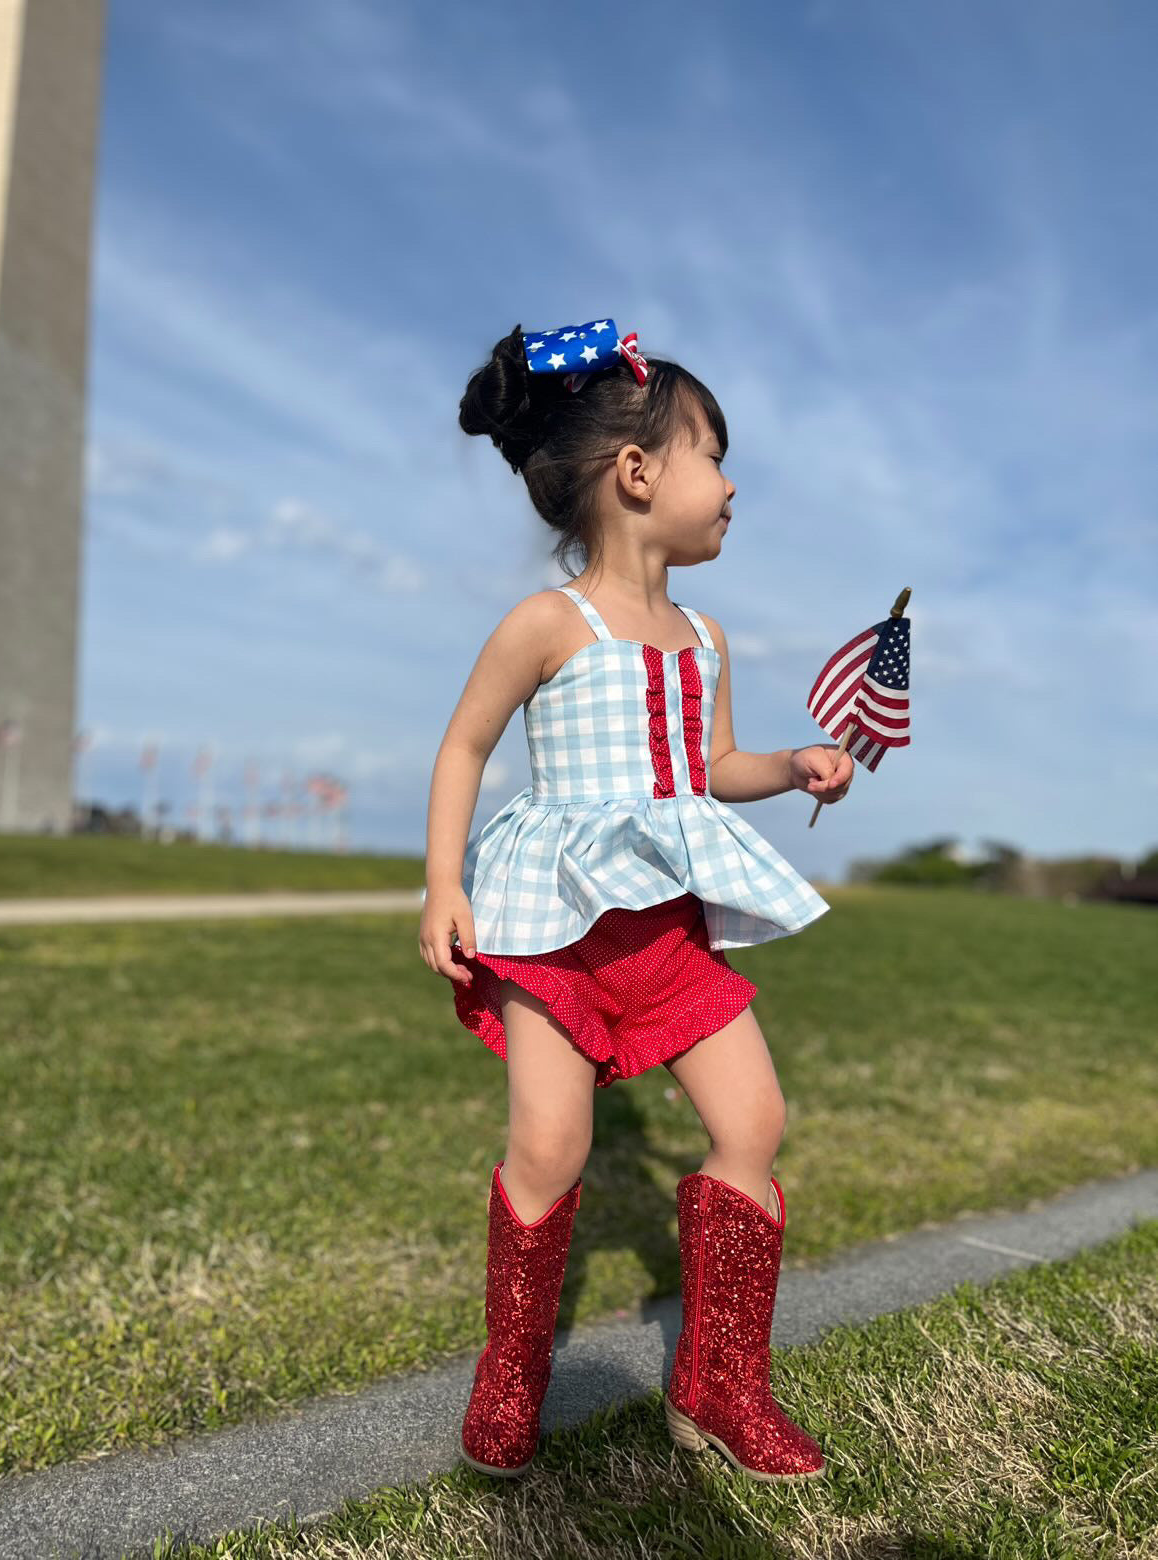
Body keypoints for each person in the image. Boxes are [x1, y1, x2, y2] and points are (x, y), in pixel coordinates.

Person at [419, 318, 853, 1484]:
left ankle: (719, 1383)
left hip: (669, 928)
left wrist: (791, 763)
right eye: (714, 451)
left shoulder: (703, 636)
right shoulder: (552, 624)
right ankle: (511, 1377)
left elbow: (706, 769)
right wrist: (444, 884)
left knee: (752, 1125)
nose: (731, 484)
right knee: (551, 1145)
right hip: (555, 929)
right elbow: (464, 747)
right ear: (639, 472)